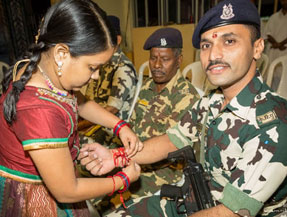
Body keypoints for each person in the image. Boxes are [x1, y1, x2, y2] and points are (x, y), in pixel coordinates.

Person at [79, 0, 287, 216]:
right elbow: (172, 140)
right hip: (195, 199)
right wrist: (116, 157)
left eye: (229, 41)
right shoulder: (213, 100)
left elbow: (232, 212)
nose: (214, 55)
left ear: (257, 48)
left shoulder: (275, 125)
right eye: (206, 45)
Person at [0, 0, 142, 216]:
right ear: (61, 54)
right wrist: (122, 180)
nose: (95, 76)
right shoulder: (39, 111)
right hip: (35, 199)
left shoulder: (42, 70)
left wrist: (119, 125)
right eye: (92, 68)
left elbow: (80, 103)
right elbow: (67, 191)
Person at [94, 27, 200, 214]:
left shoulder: (186, 97)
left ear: (179, 60)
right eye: (153, 58)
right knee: (95, 199)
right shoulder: (147, 87)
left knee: (112, 208)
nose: (157, 65)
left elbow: (169, 148)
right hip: (134, 161)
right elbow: (133, 130)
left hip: (163, 174)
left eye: (165, 59)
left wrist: (118, 158)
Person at [78, 15, 137, 145]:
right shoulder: (99, 64)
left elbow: (112, 110)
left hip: (110, 126)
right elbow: (87, 99)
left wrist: (81, 124)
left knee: (77, 142)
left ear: (118, 40)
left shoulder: (122, 68)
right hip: (93, 119)